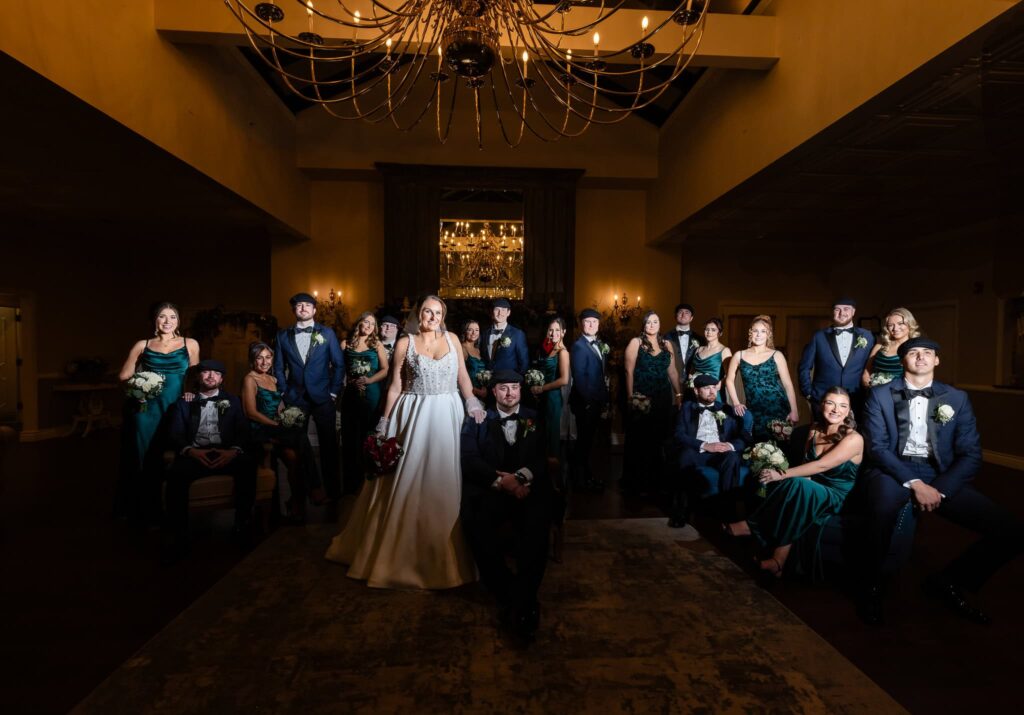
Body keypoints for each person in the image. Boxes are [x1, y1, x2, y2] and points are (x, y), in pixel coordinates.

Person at [859, 337, 1024, 625]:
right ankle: (872, 587)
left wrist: (941, 490)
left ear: (937, 361)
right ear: (903, 361)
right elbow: (877, 448)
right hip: (893, 469)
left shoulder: (956, 398)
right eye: (913, 353)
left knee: (1011, 531)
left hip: (940, 475)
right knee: (881, 510)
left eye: (927, 353)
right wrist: (915, 484)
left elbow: (971, 454)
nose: (921, 357)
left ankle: (949, 581)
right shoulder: (880, 395)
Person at [325, 295, 485, 589]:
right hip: (412, 414)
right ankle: (395, 555)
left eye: (437, 313)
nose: (432, 317)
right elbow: (396, 386)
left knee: (444, 479)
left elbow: (462, 376)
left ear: (443, 316)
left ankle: (447, 556)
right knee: (406, 478)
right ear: (418, 314)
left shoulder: (452, 339)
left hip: (447, 413)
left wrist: (472, 400)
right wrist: (385, 421)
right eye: (427, 312)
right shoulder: (404, 343)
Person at [727, 387, 862, 581]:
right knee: (796, 485)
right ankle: (778, 562)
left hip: (836, 495)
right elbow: (807, 465)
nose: (835, 409)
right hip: (811, 486)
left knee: (797, 484)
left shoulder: (854, 439)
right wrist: (787, 479)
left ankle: (752, 526)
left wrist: (781, 474)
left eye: (842, 406)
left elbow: (821, 465)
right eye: (830, 403)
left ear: (849, 411)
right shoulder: (814, 429)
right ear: (822, 405)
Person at [461, 370, 551, 638]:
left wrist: (519, 478)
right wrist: (502, 483)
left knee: (536, 528)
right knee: (475, 524)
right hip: (492, 491)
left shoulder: (534, 418)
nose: (510, 393)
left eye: (514, 388)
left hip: (528, 490)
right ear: (492, 392)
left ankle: (519, 601)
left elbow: (542, 456)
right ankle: (517, 597)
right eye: (503, 388)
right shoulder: (477, 420)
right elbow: (469, 458)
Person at [163, 360, 255, 562]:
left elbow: (243, 432)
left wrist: (232, 451)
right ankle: (179, 534)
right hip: (196, 454)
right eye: (206, 373)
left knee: (247, 466)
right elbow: (175, 434)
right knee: (176, 475)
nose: (211, 376)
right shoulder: (184, 402)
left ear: (222, 379)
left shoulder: (234, 401)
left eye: (216, 373)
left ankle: (242, 525)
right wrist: (191, 451)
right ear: (198, 377)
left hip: (225, 452)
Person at [115, 302, 199, 524]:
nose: (167, 321)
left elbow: (195, 377)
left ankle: (174, 508)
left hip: (176, 406)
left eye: (172, 317)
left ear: (178, 321)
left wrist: (190, 396)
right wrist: (140, 386)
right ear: (155, 320)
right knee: (146, 458)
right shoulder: (142, 345)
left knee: (175, 455)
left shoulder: (189, 343)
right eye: (162, 317)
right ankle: (145, 510)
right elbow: (124, 376)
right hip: (146, 409)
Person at [273, 292, 345, 501]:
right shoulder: (282, 336)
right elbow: (279, 367)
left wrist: (332, 392)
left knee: (329, 447)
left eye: (307, 305)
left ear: (314, 310)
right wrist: (285, 392)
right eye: (298, 306)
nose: (303, 308)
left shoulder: (328, 333)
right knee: (298, 446)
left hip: (323, 397)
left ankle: (333, 492)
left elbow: (339, 365)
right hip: (295, 397)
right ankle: (308, 490)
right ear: (294, 310)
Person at [242, 342, 313, 521]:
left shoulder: (273, 379)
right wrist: (276, 426)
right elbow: (250, 412)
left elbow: (279, 407)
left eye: (268, 357)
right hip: (260, 428)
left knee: (294, 459)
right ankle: (315, 487)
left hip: (275, 429)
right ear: (252, 360)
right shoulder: (250, 379)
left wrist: (287, 417)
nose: (265, 362)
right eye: (260, 358)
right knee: (301, 437)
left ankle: (295, 501)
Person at [670, 374, 749, 529]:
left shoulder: (725, 409)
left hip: (720, 453)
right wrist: (704, 445)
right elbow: (679, 435)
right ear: (696, 390)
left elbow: (744, 436)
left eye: (714, 387)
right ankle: (681, 512)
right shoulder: (686, 408)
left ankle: (728, 513)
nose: (712, 391)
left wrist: (730, 446)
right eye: (706, 388)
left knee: (732, 457)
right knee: (684, 456)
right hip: (697, 451)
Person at [622, 311, 682, 495]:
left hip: (662, 398)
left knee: (659, 440)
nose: (652, 325)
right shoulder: (636, 343)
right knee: (641, 440)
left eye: (655, 321)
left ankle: (656, 483)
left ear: (660, 323)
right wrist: (631, 397)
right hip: (642, 398)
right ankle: (637, 484)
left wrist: (678, 394)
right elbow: (628, 372)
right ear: (644, 325)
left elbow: (672, 372)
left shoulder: (667, 344)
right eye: (648, 322)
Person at [725, 315, 799, 442]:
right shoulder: (739, 355)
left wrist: (794, 410)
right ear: (750, 333)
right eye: (755, 331)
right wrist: (736, 403)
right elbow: (729, 380)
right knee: (756, 448)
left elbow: (787, 384)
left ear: (768, 334)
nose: (759, 335)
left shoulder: (777, 355)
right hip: (754, 409)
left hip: (777, 407)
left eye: (763, 331)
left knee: (780, 449)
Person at [341, 312, 389, 494]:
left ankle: (370, 482)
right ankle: (352, 483)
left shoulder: (376, 345)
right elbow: (338, 369)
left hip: (372, 393)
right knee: (350, 437)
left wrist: (369, 381)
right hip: (352, 394)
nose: (369, 326)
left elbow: (385, 369)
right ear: (359, 323)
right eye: (366, 322)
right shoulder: (345, 344)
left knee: (368, 436)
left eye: (372, 324)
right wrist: (347, 381)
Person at [799, 298, 875, 414]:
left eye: (846, 309)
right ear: (832, 312)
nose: (842, 313)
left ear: (853, 312)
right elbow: (804, 367)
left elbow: (873, 366)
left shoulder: (867, 336)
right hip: (823, 399)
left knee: (853, 432)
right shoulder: (819, 336)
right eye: (837, 309)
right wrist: (809, 393)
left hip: (856, 400)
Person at [569, 308, 610, 492]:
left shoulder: (600, 344)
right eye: (587, 322)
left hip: (596, 402)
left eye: (594, 322)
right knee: (584, 442)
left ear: (599, 325)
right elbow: (579, 378)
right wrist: (588, 402)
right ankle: (580, 481)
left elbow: (600, 376)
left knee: (588, 443)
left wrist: (603, 400)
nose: (591, 325)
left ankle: (586, 477)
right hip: (585, 403)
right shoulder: (578, 346)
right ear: (581, 324)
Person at [530, 317, 571, 459]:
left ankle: (553, 474)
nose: (553, 334)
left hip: (553, 398)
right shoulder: (548, 348)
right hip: (542, 397)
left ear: (563, 332)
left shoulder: (563, 352)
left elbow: (564, 379)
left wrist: (542, 388)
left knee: (551, 434)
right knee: (542, 435)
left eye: (557, 330)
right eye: (551, 330)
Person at [862, 307, 920, 388]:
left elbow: (918, 376)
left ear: (909, 324)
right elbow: (866, 371)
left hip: (902, 394)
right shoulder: (880, 346)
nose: (895, 328)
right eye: (890, 325)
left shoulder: (916, 348)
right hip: (874, 393)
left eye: (900, 323)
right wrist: (869, 386)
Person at [688, 317, 733, 399]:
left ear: (720, 333)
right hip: (696, 391)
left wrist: (721, 383)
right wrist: (690, 381)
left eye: (713, 330)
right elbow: (692, 371)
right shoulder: (698, 349)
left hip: (714, 391)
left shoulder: (724, 350)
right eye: (707, 329)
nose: (709, 332)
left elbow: (731, 374)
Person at [484, 297, 529, 373]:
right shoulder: (485, 333)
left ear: (508, 313)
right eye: (497, 309)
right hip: (488, 381)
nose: (500, 313)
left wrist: (517, 380)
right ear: (492, 312)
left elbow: (524, 362)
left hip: (509, 381)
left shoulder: (517, 334)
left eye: (503, 310)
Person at [665, 302, 700, 382]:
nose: (683, 314)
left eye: (687, 312)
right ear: (675, 316)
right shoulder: (666, 337)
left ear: (691, 318)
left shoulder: (699, 338)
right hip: (670, 381)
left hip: (693, 382)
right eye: (680, 312)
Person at [461, 319, 488, 401]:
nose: (474, 333)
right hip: (469, 392)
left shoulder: (478, 349)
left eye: (477, 330)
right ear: (465, 331)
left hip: (482, 392)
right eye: (470, 330)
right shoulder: (462, 348)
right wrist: (475, 390)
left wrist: (484, 388)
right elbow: (459, 375)